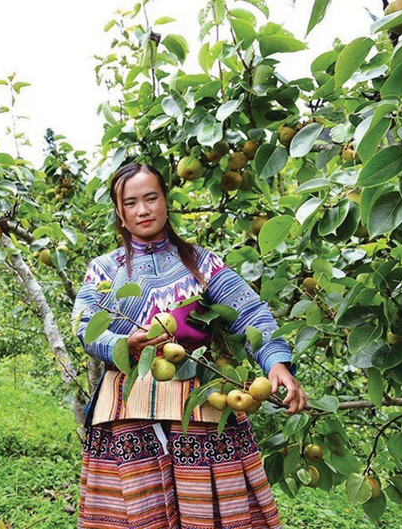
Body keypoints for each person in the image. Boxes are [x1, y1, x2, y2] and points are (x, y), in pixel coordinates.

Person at [72, 162, 307, 529]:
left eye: (151, 198)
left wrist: (276, 363)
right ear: (120, 213)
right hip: (125, 409)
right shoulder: (104, 270)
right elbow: (84, 326)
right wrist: (121, 343)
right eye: (131, 203)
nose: (143, 210)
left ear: (166, 201)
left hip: (201, 401)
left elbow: (249, 311)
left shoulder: (202, 263)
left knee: (211, 515)